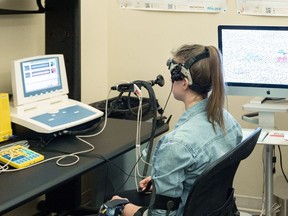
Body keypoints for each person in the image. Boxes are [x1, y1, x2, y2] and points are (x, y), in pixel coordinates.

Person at [105, 43, 243, 216]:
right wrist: (163, 181)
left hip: (182, 211)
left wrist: (124, 207)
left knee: (111, 202)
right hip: (213, 210)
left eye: (172, 76)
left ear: (184, 83)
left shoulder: (176, 143)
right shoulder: (227, 120)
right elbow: (203, 176)